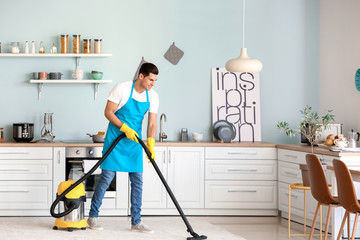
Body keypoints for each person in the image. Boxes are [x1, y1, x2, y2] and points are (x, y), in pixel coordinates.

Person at [87, 63, 159, 233]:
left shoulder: (153, 96)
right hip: (116, 141)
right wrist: (124, 128)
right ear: (141, 76)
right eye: (150, 79)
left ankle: (136, 222)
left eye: (155, 80)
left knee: (137, 182)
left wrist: (150, 143)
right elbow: (108, 112)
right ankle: (93, 217)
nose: (153, 83)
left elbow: (152, 123)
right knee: (106, 179)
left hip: (134, 143)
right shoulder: (122, 88)